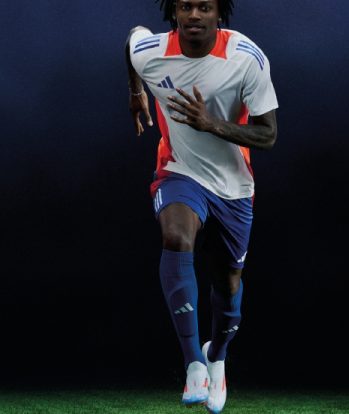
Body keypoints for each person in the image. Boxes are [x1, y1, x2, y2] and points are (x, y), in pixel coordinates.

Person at [125, 0, 278, 412]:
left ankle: (217, 357)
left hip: (234, 187)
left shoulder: (246, 58)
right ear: (174, 12)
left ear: (218, 14)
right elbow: (132, 41)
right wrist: (136, 92)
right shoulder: (153, 52)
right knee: (176, 237)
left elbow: (268, 135)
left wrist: (211, 124)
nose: (194, 15)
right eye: (186, 6)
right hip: (179, 170)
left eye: (204, 7)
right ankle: (193, 361)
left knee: (228, 284)